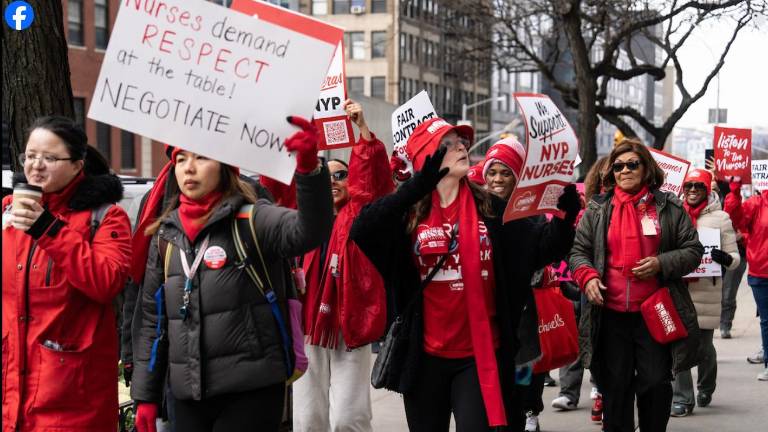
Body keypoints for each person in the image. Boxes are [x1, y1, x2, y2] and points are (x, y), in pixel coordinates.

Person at [350, 118, 581, 431]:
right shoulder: (408, 214)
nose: (461, 147)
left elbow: (541, 247)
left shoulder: (492, 208)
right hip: (424, 358)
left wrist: (564, 219)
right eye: (448, 144)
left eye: (462, 141)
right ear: (425, 159)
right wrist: (417, 187)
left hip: (479, 358)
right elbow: (363, 229)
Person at [130, 116, 334, 432]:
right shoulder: (165, 235)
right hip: (187, 395)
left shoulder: (254, 219)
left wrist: (309, 170)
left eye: (201, 156)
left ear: (225, 166)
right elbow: (151, 321)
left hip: (251, 390)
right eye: (181, 158)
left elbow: (311, 231)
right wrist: (145, 396)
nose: (188, 167)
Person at [2, 116, 132, 431]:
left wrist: (48, 229)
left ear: (77, 165)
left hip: (71, 399)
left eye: (49, 158)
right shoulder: (8, 210)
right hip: (11, 394)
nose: (36, 165)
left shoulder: (106, 218)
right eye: (30, 156)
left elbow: (105, 283)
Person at [569, 138, 704, 432]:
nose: (625, 170)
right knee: (615, 388)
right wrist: (588, 276)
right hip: (610, 313)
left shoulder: (668, 206)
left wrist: (661, 263)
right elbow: (579, 252)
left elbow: (693, 250)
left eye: (632, 164)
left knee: (656, 383)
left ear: (646, 169)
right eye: (618, 166)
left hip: (655, 311)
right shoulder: (597, 209)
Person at [292, 100, 392, 432]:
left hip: (351, 323)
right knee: (308, 420)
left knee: (350, 418)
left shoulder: (361, 213)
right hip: (308, 326)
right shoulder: (302, 217)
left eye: (341, 174)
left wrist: (362, 129)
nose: (333, 180)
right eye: (326, 175)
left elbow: (371, 180)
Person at [670, 168, 740, 416]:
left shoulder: (721, 218)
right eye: (688, 186)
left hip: (706, 291)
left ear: (706, 189)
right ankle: (682, 399)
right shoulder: (673, 213)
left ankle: (706, 386)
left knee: (703, 348)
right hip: (678, 290)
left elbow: (735, 259)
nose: (692, 191)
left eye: (697, 186)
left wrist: (725, 258)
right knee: (679, 346)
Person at [725, 180, 768, 381]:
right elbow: (735, 218)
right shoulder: (756, 203)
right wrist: (734, 190)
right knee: (767, 321)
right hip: (761, 273)